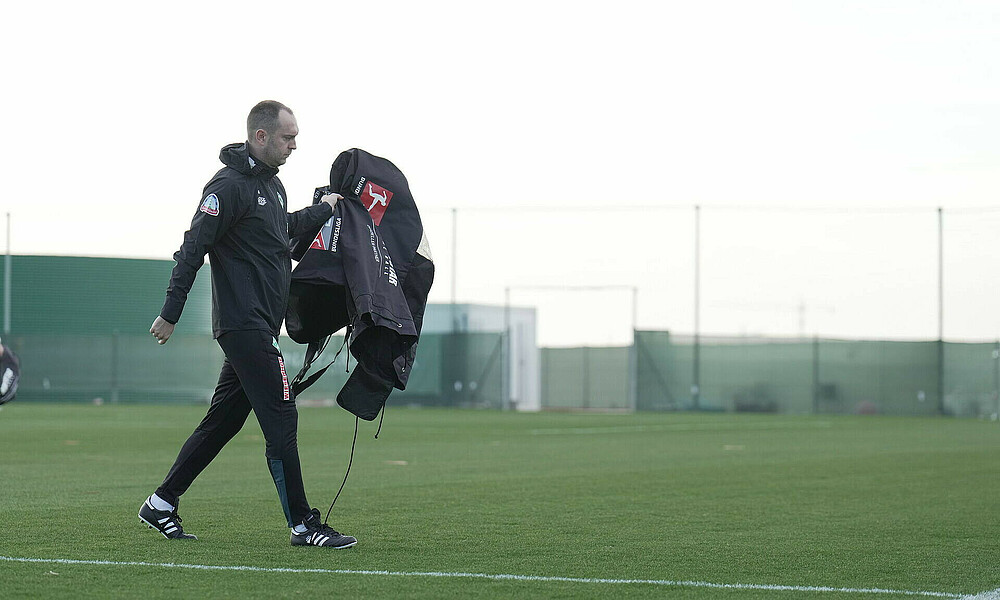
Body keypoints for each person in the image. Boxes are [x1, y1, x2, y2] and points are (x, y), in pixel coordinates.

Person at [139, 101, 356, 548]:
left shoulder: (273, 186)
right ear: (261, 136)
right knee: (281, 415)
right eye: (287, 137)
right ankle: (303, 524)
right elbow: (192, 247)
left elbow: (283, 230)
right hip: (244, 326)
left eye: (295, 137)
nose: (293, 145)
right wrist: (171, 311)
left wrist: (323, 210)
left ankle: (160, 502)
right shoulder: (227, 186)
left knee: (223, 422)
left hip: (260, 326)